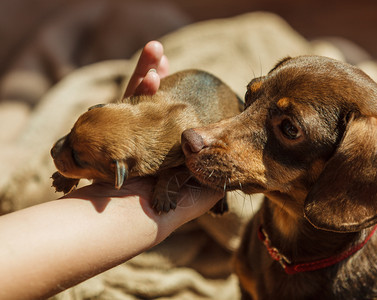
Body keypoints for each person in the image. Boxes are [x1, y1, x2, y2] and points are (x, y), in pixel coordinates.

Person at [0, 41, 225, 300]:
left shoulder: (176, 147)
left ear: (120, 171)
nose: (56, 149)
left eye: (75, 156)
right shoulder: (129, 121)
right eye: (71, 137)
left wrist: (166, 186)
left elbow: (184, 166)